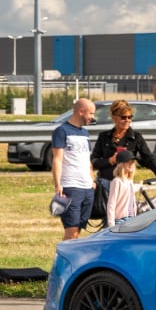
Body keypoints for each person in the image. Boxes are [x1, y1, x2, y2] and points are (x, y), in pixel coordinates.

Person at [91, 100, 156, 189]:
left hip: (126, 184)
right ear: (114, 118)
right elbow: (93, 161)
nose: (127, 120)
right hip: (105, 184)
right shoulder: (104, 137)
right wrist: (110, 160)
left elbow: (148, 158)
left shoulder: (136, 137)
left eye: (129, 117)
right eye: (123, 117)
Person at [51, 98, 97, 240]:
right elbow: (57, 159)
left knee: (77, 231)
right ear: (81, 111)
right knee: (71, 231)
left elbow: (87, 160)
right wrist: (58, 184)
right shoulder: (61, 131)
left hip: (87, 188)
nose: (92, 117)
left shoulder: (85, 133)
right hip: (71, 187)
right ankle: (62, 261)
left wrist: (92, 180)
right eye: (91, 113)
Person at [106, 150, 139, 226]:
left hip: (132, 218)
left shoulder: (130, 181)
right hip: (121, 220)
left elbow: (130, 192)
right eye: (128, 162)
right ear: (121, 164)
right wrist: (111, 224)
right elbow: (111, 203)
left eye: (132, 162)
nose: (131, 164)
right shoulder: (117, 181)